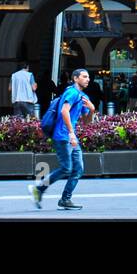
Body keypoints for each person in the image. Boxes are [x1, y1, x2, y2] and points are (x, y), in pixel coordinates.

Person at [29, 67, 95, 211]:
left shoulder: (83, 97)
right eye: (84, 77)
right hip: (63, 136)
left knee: (78, 169)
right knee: (67, 168)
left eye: (88, 77)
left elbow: (86, 122)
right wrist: (71, 133)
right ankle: (39, 189)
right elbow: (64, 111)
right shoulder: (72, 92)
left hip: (70, 137)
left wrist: (92, 109)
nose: (87, 79)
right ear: (75, 78)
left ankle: (65, 199)